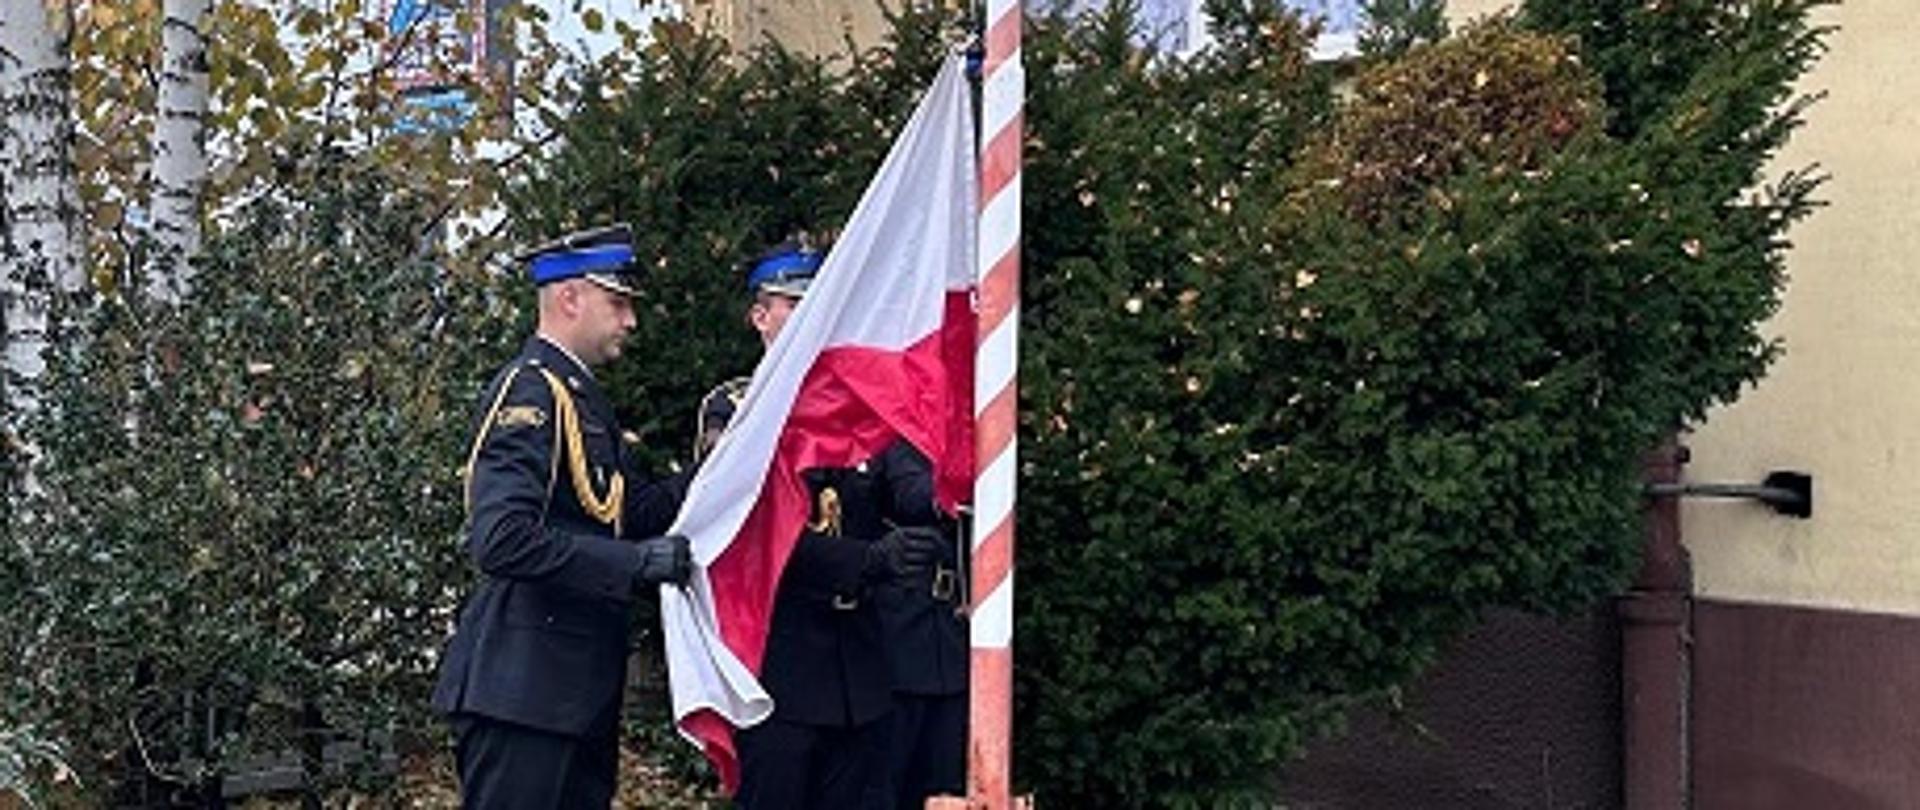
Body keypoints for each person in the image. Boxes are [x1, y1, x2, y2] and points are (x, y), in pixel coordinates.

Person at [431, 225, 695, 809]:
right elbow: (500, 540)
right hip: (523, 692)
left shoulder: (582, 400)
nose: (630, 321)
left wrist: (718, 466)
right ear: (570, 298)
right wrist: (633, 564)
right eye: (618, 303)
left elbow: (624, 514)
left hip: (572, 693)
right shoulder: (531, 394)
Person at [698, 240, 947, 810]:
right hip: (778, 666)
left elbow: (905, 490)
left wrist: (953, 485)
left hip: (858, 670)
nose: (810, 318)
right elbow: (752, 532)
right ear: (760, 317)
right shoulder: (736, 411)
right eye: (793, 305)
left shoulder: (858, 406)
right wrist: (869, 561)